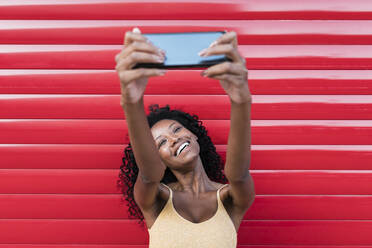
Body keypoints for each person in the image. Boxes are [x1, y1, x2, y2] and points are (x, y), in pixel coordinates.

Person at [116, 27, 255, 248]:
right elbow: (149, 176)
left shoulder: (229, 199)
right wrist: (131, 102)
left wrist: (241, 100)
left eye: (177, 130)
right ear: (157, 157)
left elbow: (238, 176)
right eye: (161, 143)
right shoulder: (156, 200)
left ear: (194, 134)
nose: (173, 140)